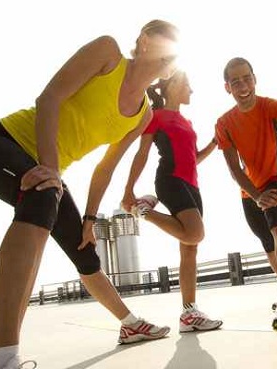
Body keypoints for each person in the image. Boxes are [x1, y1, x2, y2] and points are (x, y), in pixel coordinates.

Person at [0, 20, 181, 369]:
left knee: (83, 248)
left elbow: (105, 168)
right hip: (1, 143)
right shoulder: (108, 53)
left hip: (49, 170)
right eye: (164, 43)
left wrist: (89, 218)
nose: (168, 55)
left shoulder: (144, 115)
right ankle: (4, 360)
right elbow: (49, 98)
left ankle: (129, 325)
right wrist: (51, 170)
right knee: (42, 197)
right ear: (144, 41)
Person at [215, 57, 277, 329]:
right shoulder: (223, 123)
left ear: (255, 78)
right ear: (228, 88)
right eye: (235, 81)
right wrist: (255, 194)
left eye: (247, 77)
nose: (243, 84)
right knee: (268, 243)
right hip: (250, 191)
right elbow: (235, 170)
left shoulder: (275, 108)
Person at [122, 70, 223, 333]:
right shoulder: (155, 117)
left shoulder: (186, 121)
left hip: (192, 185)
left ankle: (189, 314)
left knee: (190, 248)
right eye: (188, 84)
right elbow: (142, 153)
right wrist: (128, 191)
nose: (192, 90)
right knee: (195, 234)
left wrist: (214, 143)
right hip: (169, 180)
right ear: (174, 86)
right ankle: (142, 210)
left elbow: (192, 158)